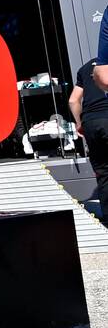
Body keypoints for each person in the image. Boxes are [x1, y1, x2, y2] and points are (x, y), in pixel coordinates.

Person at [69, 57, 108, 218]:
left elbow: (73, 100)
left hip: (91, 122)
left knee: (103, 172)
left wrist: (80, 124)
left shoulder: (85, 68)